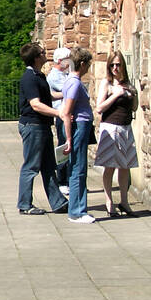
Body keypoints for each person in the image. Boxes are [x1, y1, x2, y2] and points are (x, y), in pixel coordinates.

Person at [16, 43, 69, 216]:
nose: (46, 54)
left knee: (48, 166)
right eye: (43, 52)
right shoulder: (29, 78)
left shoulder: (39, 75)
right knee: (31, 166)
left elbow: (49, 95)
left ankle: (58, 202)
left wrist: (69, 92)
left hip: (42, 126)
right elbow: (36, 104)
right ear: (37, 57)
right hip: (33, 126)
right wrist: (58, 113)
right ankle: (25, 204)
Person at [94, 50, 138, 217]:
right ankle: (109, 201)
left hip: (125, 127)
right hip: (111, 128)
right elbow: (99, 108)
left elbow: (134, 107)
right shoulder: (107, 83)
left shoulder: (127, 83)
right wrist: (115, 95)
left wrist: (133, 94)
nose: (115, 68)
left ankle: (124, 201)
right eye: (112, 65)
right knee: (110, 166)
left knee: (125, 166)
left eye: (118, 65)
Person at [59, 47, 96, 224]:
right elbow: (66, 111)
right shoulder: (74, 82)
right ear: (82, 64)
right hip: (79, 126)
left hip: (81, 125)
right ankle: (77, 211)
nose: (89, 67)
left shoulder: (70, 81)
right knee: (78, 168)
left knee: (78, 168)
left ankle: (78, 209)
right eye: (88, 64)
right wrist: (68, 138)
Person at [48, 48, 72, 195]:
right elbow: (69, 91)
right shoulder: (54, 77)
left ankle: (69, 179)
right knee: (64, 147)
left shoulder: (67, 74)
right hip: (61, 116)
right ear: (59, 61)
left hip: (69, 115)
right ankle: (62, 180)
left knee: (71, 147)